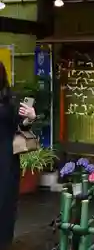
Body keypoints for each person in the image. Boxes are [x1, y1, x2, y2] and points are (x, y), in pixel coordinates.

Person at [0, 62, 36, 249]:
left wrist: (30, 116)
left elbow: (23, 126)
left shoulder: (10, 100)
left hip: (5, 158)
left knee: (4, 202)